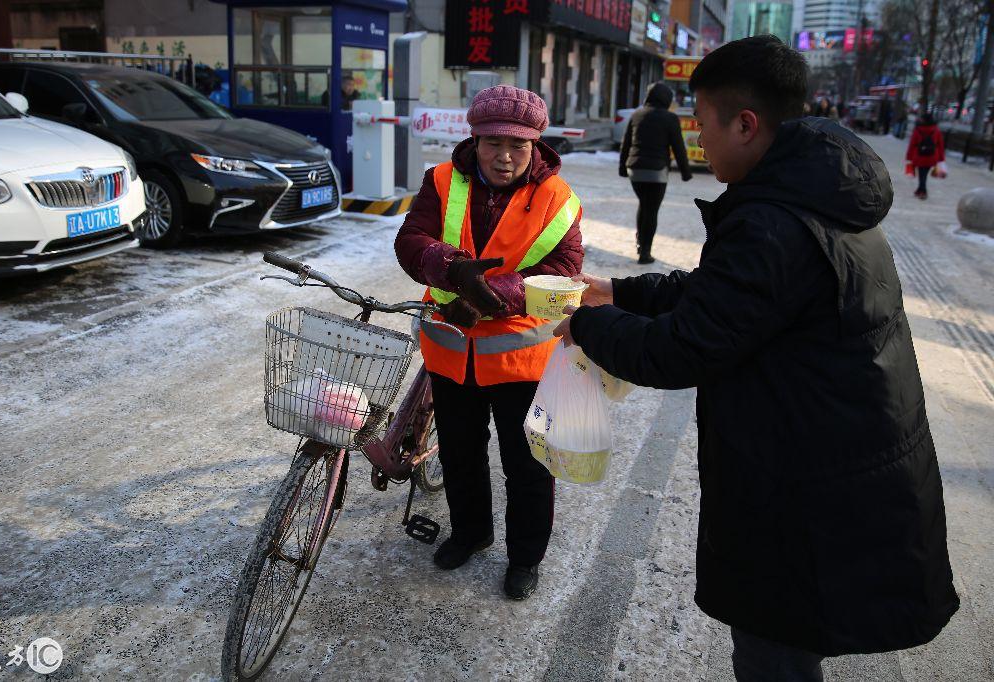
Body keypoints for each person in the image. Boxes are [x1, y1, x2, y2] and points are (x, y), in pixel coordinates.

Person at [554, 36, 957, 680]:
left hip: (802, 480)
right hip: (831, 449)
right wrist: (622, 290)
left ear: (746, 123)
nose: (701, 142)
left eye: (703, 125)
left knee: (776, 645)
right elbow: (732, 297)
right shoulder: (815, 188)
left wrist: (589, 325)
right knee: (791, 637)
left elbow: (688, 347)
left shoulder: (773, 220)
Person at [394, 85, 584, 600]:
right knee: (459, 453)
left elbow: (562, 270)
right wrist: (453, 269)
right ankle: (471, 533)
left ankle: (526, 557)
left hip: (521, 355)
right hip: (450, 349)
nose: (505, 156)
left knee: (527, 465)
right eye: (493, 143)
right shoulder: (440, 181)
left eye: (517, 146)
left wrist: (485, 297)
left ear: (536, 145)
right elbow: (412, 241)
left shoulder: (558, 199)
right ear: (474, 140)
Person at [619, 82, 693, 264]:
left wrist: (622, 168)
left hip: (635, 171)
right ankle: (645, 252)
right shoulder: (670, 118)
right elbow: (678, 147)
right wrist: (685, 172)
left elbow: (626, 143)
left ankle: (639, 243)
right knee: (651, 210)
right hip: (656, 173)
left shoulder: (637, 114)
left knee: (644, 205)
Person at [905, 112, 945, 200]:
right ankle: (919, 189)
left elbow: (912, 144)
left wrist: (908, 157)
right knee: (924, 173)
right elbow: (940, 144)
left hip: (919, 155)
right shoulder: (936, 130)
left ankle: (923, 191)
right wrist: (941, 158)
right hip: (932, 156)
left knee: (922, 174)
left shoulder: (918, 129)